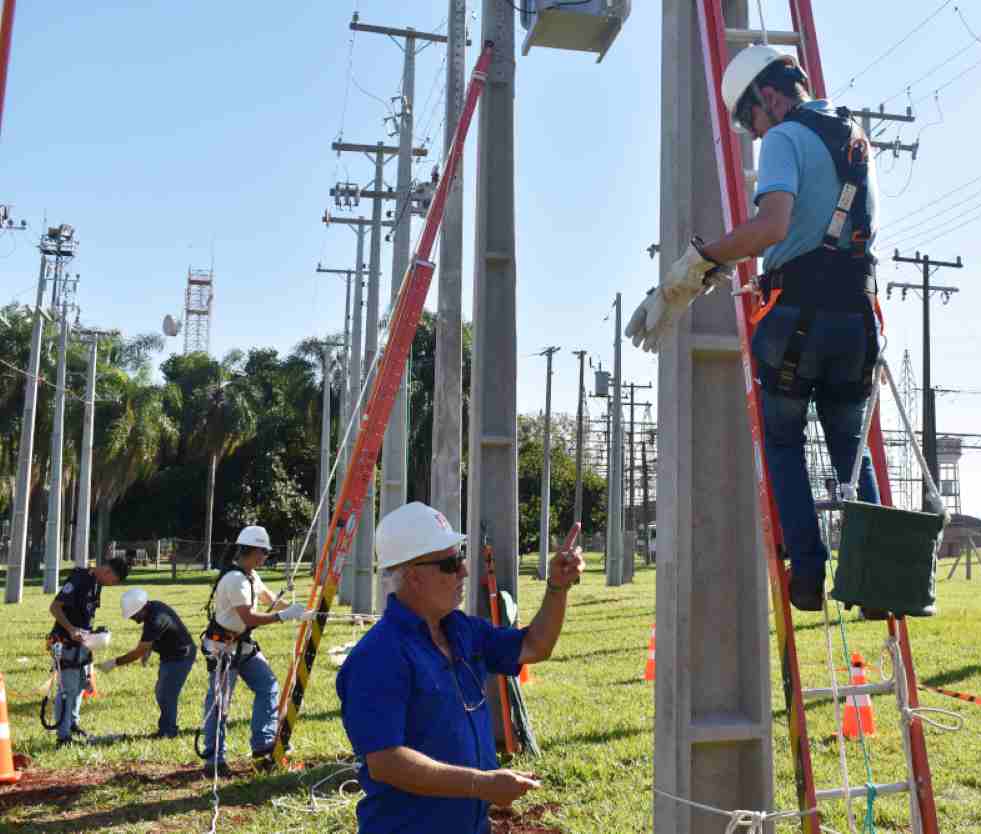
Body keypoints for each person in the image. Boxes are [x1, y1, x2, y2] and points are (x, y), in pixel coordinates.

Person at [626, 45, 882, 611]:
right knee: (849, 446)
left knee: (784, 439)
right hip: (857, 320)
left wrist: (694, 265)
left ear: (768, 96)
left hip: (798, 319)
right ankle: (873, 581)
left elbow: (772, 225)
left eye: (749, 118)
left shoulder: (787, 138)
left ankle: (809, 572)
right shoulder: (853, 135)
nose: (753, 132)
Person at [337, 501, 585, 834]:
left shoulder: (463, 630)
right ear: (412, 575)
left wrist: (557, 587)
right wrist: (481, 785)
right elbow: (386, 762)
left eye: (461, 558)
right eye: (451, 563)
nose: (465, 571)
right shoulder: (378, 656)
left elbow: (535, 646)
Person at [200, 525, 314, 777]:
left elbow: (268, 599)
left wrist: (298, 610)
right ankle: (213, 760)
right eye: (263, 552)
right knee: (220, 704)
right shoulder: (234, 579)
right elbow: (249, 618)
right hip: (222, 647)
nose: (265, 557)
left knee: (268, 686)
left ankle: (262, 744)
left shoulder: (251, 576)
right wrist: (284, 616)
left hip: (243, 645)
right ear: (250, 551)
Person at [47, 556, 129, 746]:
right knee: (67, 689)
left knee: (79, 686)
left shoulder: (96, 583)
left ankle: (73, 724)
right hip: (65, 641)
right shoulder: (80, 578)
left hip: (82, 644)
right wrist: (71, 629)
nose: (112, 585)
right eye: (113, 581)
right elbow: (55, 607)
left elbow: (85, 613)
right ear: (108, 572)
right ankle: (63, 736)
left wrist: (95, 633)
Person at [95, 588, 196, 738]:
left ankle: (167, 732)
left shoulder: (156, 618)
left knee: (167, 694)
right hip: (170, 655)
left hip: (180, 656)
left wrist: (114, 663)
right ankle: (167, 728)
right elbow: (153, 636)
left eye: (133, 615)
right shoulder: (153, 608)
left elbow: (137, 652)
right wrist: (148, 650)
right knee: (162, 692)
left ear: (141, 608)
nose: (133, 619)